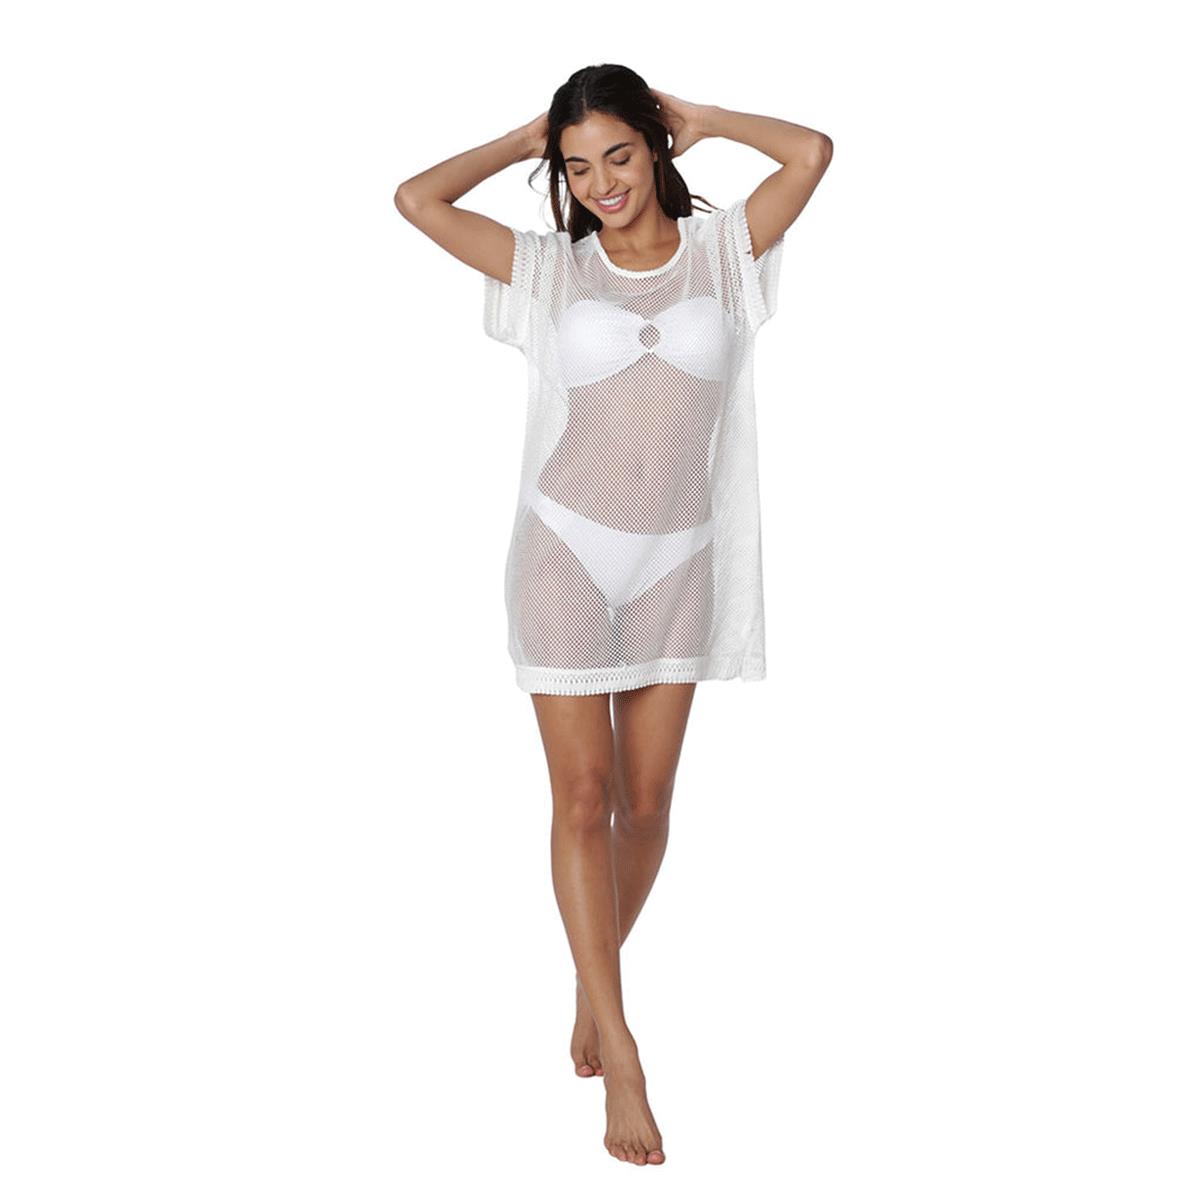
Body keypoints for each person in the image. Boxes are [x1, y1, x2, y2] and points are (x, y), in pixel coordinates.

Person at [394, 63, 832, 1167]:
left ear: (657, 144)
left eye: (620, 154)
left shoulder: (725, 254)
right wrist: (522, 139)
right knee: (582, 800)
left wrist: (713, 117)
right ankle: (623, 1049)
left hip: (678, 564)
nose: (600, 183)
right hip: (565, 556)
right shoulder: (549, 270)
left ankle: (592, 990)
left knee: (646, 806)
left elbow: (813, 154)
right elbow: (416, 199)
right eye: (578, 165)